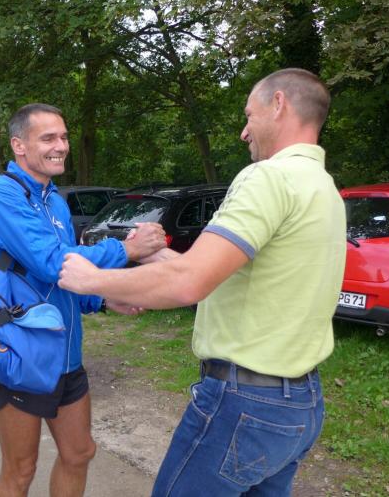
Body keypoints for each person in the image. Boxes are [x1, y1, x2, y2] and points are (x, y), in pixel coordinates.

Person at [58, 68, 346, 497]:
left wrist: (94, 280)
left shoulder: (268, 177)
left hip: (245, 403)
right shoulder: (323, 187)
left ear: (279, 104)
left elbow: (189, 283)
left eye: (248, 115)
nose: (244, 132)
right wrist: (154, 253)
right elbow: (222, 276)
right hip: (299, 404)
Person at [0, 103, 167, 497]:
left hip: (65, 354)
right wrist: (127, 249)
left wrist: (101, 300)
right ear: (19, 145)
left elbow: (64, 279)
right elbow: (52, 262)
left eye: (63, 137)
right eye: (48, 138)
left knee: (79, 453)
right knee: (21, 470)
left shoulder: (54, 200)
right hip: (21, 354)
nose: (61, 146)